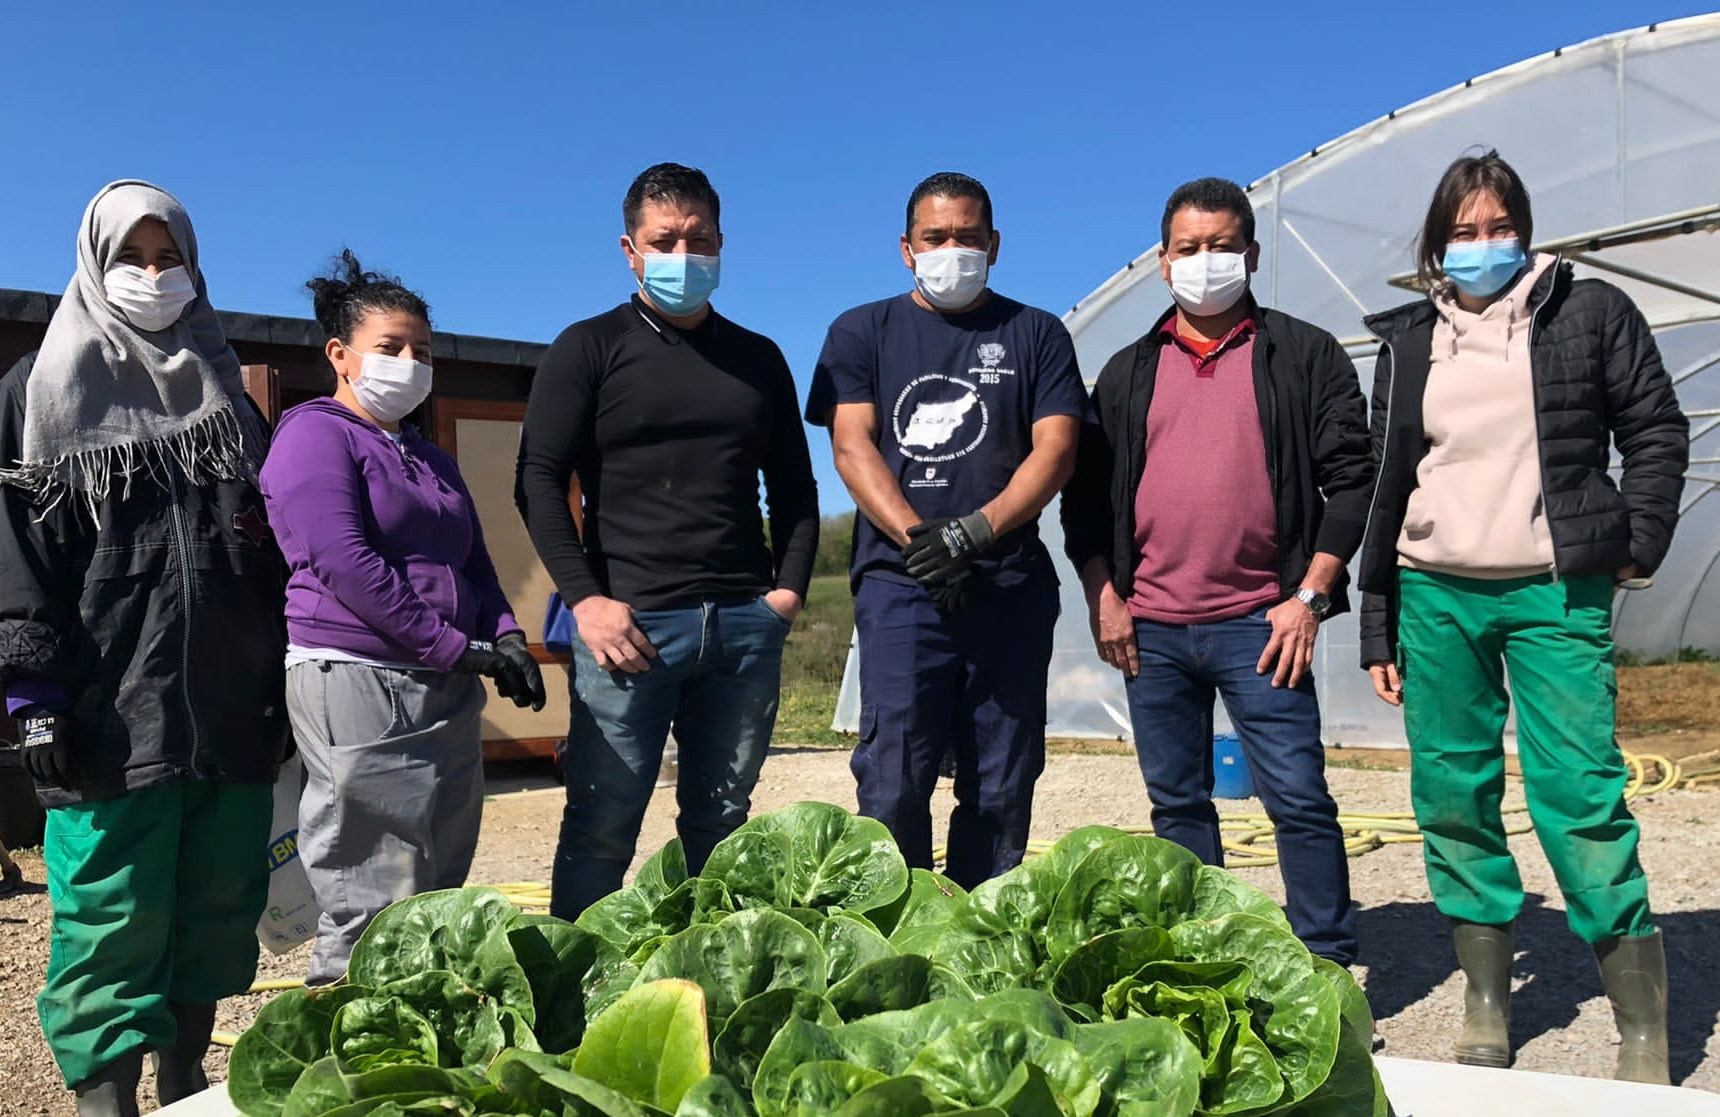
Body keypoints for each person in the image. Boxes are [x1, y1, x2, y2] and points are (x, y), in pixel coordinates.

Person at [0, 180, 287, 1117]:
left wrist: (284, 681)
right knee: (110, 913)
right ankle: (106, 1112)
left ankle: (184, 1089)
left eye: (167, 256)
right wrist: (30, 689)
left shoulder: (229, 400)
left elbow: (275, 550)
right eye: (130, 258)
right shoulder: (36, 393)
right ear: (95, 266)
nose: (152, 275)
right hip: (107, 712)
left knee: (218, 903)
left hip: (227, 710)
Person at [1360, 151, 1689, 1083]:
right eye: (1462, 232)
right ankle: (1487, 1000)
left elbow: (1656, 429)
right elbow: (1389, 487)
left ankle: (1640, 1026)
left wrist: (1640, 535)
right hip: (1434, 590)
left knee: (1577, 791)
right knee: (1452, 796)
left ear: (1527, 231)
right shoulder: (1410, 338)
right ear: (1435, 245)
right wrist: (1376, 623)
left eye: (1500, 227)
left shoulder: (1590, 312)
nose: (1482, 246)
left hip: (1555, 589)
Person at [1063, 177, 1373, 969]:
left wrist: (1311, 594)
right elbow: (1086, 503)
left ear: (1253, 254)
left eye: (1223, 246)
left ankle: (1327, 967)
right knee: (1177, 805)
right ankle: (1205, 961)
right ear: (1162, 264)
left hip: (1265, 622)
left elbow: (1354, 477)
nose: (1207, 262)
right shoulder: (1127, 374)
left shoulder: (1304, 355)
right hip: (1154, 627)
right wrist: (1106, 595)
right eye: (1189, 249)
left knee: (1298, 801)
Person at [517, 163, 819, 920]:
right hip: (630, 630)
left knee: (721, 831)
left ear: (721, 243)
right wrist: (586, 602)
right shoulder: (588, 349)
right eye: (664, 240)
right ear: (630, 249)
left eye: (699, 238)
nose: (683, 254)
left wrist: (782, 598)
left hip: (742, 629)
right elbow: (538, 481)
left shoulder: (758, 358)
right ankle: (572, 1005)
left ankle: (704, 986)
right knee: (600, 828)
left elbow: (796, 493)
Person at [259, 253, 544, 984]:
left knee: (436, 886)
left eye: (422, 351)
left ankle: (424, 1059)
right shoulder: (314, 435)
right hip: (360, 679)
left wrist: (505, 637)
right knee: (370, 893)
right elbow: (345, 563)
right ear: (340, 354)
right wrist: (456, 646)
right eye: (390, 348)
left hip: (441, 679)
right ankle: (338, 1061)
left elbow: (474, 563)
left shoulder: (428, 458)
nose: (410, 364)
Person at [807, 172, 1085, 886]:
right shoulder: (862, 330)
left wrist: (974, 533)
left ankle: (978, 932)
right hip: (903, 591)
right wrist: (922, 542)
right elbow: (851, 445)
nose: (952, 249)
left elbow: (1054, 449)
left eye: (967, 236)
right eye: (936, 238)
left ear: (994, 244)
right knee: (895, 775)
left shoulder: (1036, 333)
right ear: (907, 248)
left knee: (1000, 781)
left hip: (1008, 587)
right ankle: (895, 938)